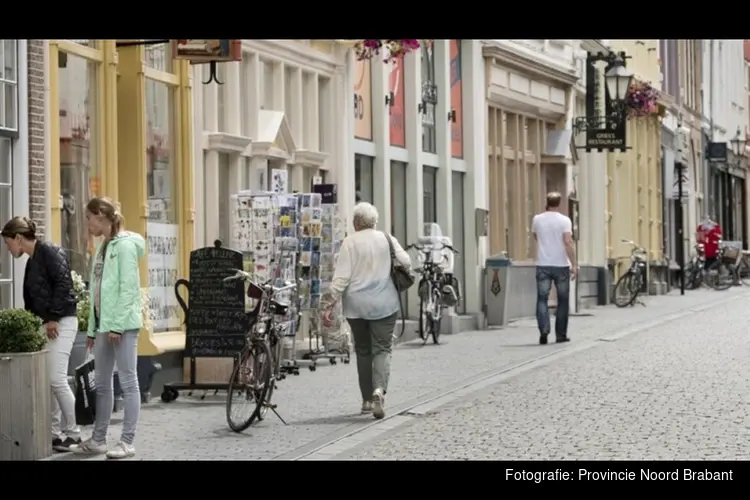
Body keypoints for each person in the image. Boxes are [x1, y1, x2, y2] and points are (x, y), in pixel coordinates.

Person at [71, 197, 146, 459]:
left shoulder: (124, 247)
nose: (87, 224)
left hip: (121, 327)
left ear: (100, 217)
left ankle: (127, 442)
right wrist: (92, 329)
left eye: (89, 218)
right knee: (102, 384)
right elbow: (97, 291)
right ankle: (99, 440)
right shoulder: (104, 246)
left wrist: (116, 326)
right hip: (104, 327)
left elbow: (128, 289)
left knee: (128, 381)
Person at [321, 202, 411, 419]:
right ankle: (379, 390)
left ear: (355, 222)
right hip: (385, 304)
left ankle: (367, 401)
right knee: (382, 348)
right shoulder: (387, 238)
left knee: (362, 351)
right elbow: (406, 261)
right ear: (374, 222)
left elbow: (341, 278)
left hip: (357, 306)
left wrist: (329, 304)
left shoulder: (349, 243)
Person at [1, 216, 81, 452]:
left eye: (8, 242)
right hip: (48, 324)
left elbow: (64, 284)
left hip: (62, 322)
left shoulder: (49, 251)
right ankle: (54, 433)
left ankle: (74, 434)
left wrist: (53, 317)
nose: (7, 248)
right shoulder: (31, 261)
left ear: (18, 238)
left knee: (56, 378)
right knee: (48, 382)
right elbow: (32, 300)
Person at [531, 192, 577, 345]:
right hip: (561, 265)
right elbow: (568, 242)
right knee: (563, 300)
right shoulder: (564, 221)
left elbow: (536, 236)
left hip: (543, 264)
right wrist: (574, 264)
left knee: (542, 299)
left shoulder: (537, 219)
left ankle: (544, 330)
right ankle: (560, 335)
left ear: (547, 202)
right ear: (559, 203)